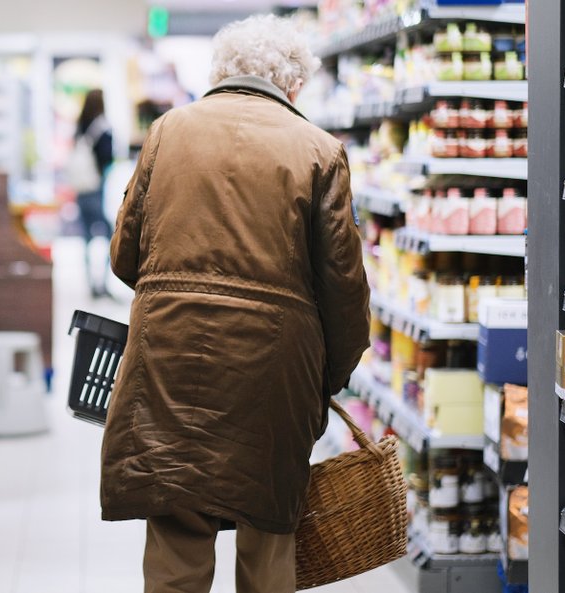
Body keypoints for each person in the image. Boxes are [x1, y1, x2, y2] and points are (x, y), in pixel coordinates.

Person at [102, 14, 371, 593]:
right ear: (294, 83)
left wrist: (174, 293)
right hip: (273, 370)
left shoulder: (167, 131)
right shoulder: (319, 150)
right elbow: (343, 287)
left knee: (176, 524)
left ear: (221, 71)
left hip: (170, 357)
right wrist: (330, 374)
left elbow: (125, 255)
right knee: (268, 531)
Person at [74, 89, 114, 298]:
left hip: (81, 189)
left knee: (86, 237)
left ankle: (90, 283)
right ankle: (103, 283)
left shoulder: (80, 127)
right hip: (96, 189)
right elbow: (108, 158)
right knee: (111, 236)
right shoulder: (103, 128)